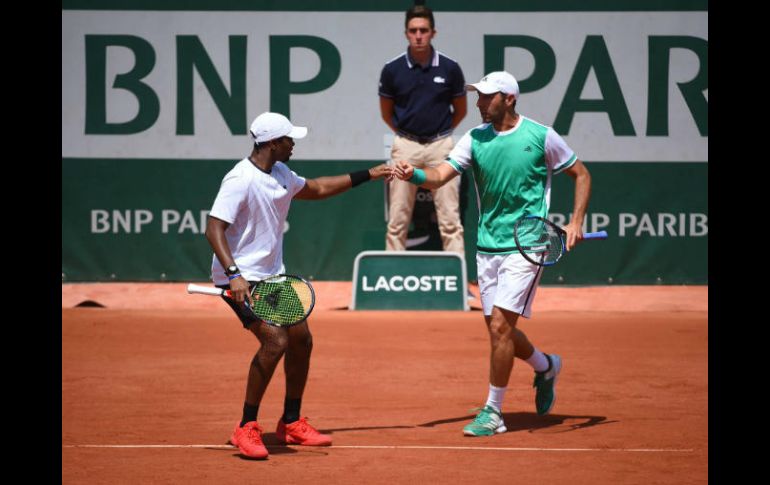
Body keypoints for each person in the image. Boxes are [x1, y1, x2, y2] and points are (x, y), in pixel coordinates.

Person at [393, 71, 593, 436]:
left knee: (501, 327)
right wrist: (414, 175)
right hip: (488, 246)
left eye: (487, 97)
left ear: (509, 99)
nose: (480, 103)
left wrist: (576, 220)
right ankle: (546, 365)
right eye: (479, 96)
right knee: (499, 331)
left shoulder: (540, 136)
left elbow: (580, 174)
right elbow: (440, 175)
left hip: (527, 245)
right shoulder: (475, 138)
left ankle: (493, 412)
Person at [205, 112, 392, 458]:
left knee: (301, 340)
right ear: (274, 143)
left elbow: (318, 188)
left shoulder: (281, 173)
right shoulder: (240, 179)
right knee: (275, 341)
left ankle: (290, 423)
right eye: (290, 139)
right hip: (241, 278)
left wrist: (370, 174)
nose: (294, 144)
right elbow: (213, 228)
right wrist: (234, 275)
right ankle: (245, 426)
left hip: (272, 276)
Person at [378, 3, 467, 257]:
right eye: (413, 30)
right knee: (397, 220)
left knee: (450, 220)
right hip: (405, 146)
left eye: (424, 30)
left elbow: (460, 110)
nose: (419, 35)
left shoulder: (450, 68)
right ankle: (392, 279)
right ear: (406, 33)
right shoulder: (392, 69)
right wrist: (408, 137)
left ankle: (457, 282)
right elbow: (386, 112)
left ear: (433, 33)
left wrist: (439, 135)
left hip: (441, 146)